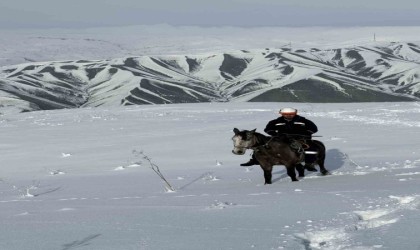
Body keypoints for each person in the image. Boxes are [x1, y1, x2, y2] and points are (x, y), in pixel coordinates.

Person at [240, 107, 319, 170]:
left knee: (310, 148)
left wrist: (303, 134)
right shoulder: (276, 121)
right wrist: (276, 134)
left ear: (295, 113)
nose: (288, 115)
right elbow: (268, 129)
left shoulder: (303, 120)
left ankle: (309, 164)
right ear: (281, 114)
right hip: (280, 139)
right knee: (262, 146)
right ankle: (254, 160)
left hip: (299, 139)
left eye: (291, 114)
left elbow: (313, 129)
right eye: (285, 114)